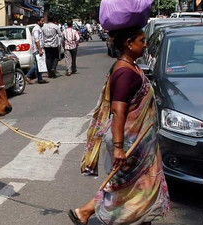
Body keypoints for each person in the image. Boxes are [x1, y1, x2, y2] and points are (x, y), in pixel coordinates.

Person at [70, 26, 169, 225]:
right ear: (129, 44)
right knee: (127, 185)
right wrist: (118, 147)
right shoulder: (125, 72)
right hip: (127, 142)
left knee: (135, 186)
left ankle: (136, 219)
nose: (145, 45)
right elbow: (118, 111)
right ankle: (86, 211)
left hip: (136, 141)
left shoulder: (130, 66)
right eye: (142, 40)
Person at [25, 17, 48, 84]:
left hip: (39, 49)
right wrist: (40, 49)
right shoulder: (36, 29)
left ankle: (40, 78)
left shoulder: (39, 28)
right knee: (38, 64)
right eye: (42, 21)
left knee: (39, 63)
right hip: (37, 49)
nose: (43, 22)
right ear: (38, 22)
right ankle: (28, 76)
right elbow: (36, 39)